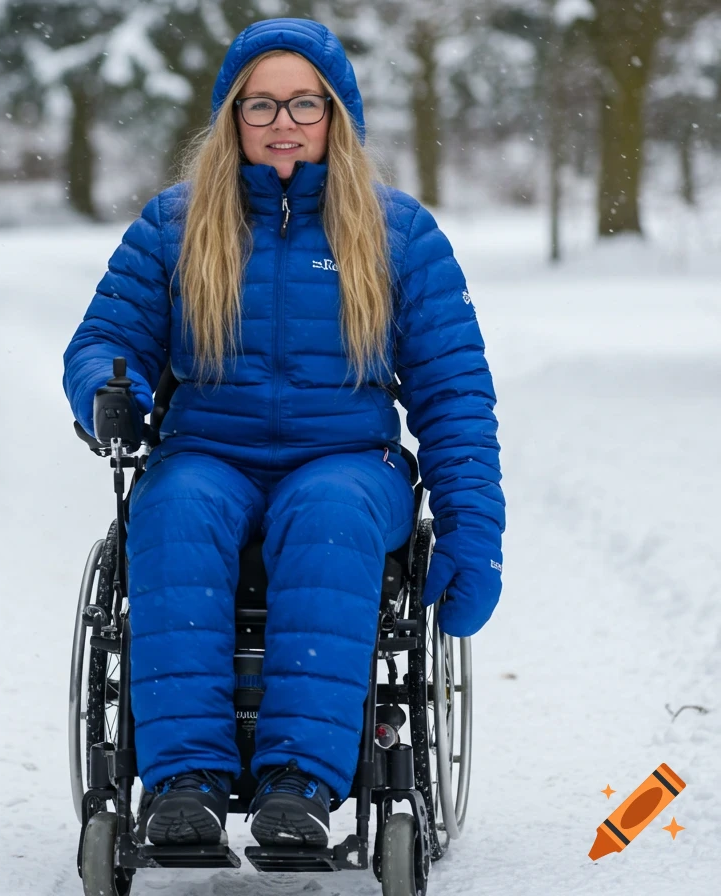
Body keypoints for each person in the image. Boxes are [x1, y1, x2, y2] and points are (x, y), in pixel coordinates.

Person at [62, 19, 505, 849]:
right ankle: (186, 781)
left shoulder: (397, 231)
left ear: (337, 114)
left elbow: (454, 393)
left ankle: (298, 785)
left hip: (346, 460)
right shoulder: (174, 225)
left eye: (304, 102)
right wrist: (103, 396)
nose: (283, 121)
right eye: (260, 104)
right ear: (232, 117)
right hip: (208, 452)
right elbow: (103, 345)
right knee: (176, 508)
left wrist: (474, 533)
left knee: (330, 514)